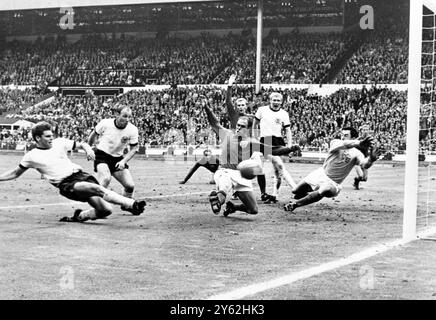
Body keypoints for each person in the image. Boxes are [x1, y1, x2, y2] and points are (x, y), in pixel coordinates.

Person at [0, 122, 146, 222]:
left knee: (106, 211)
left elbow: (81, 144)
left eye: (52, 135)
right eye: (48, 136)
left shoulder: (59, 142)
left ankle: (80, 216)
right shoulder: (31, 156)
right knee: (96, 188)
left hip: (80, 176)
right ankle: (131, 204)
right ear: (38, 138)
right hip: (66, 184)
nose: (52, 138)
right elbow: (15, 173)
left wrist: (88, 149)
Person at [202, 98, 292, 217]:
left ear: (249, 129)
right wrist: (207, 108)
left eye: (242, 126)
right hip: (225, 172)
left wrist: (290, 148)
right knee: (223, 191)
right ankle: (217, 200)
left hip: (241, 175)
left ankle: (233, 207)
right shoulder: (227, 134)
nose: (238, 128)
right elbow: (215, 123)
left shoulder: (252, 143)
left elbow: (274, 149)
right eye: (238, 125)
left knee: (253, 209)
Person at [284, 127, 381, 213]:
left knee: (323, 190)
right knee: (295, 191)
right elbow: (345, 144)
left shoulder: (356, 153)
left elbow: (365, 164)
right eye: (342, 134)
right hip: (320, 174)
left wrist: (371, 159)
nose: (342, 137)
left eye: (346, 135)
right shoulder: (336, 142)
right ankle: (308, 196)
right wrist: (359, 142)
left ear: (353, 137)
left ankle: (295, 205)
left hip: (333, 183)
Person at [225, 74, 271, 202]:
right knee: (237, 170)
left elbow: (257, 131)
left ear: (246, 106)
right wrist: (230, 85)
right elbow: (227, 101)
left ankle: (263, 193)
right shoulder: (233, 115)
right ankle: (236, 192)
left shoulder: (251, 117)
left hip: (249, 146)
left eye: (242, 105)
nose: (240, 107)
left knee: (259, 169)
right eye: (238, 105)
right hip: (236, 146)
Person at [87, 105, 139, 212]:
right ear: (117, 114)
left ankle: (126, 204)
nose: (127, 119)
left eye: (129, 117)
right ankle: (98, 206)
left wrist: (123, 161)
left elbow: (134, 148)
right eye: (124, 116)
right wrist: (89, 149)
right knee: (105, 179)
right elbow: (93, 135)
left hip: (117, 159)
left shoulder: (132, 129)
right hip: (101, 155)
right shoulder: (105, 123)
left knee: (130, 186)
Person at [252, 91, 298, 204]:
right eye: (274, 100)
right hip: (264, 140)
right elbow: (255, 124)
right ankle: (261, 192)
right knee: (258, 166)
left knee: (279, 168)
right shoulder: (262, 110)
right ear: (270, 100)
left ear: (281, 102)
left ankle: (277, 194)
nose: (276, 102)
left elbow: (287, 130)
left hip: (277, 141)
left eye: (278, 100)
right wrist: (255, 137)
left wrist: (289, 144)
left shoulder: (284, 114)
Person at [353, 124, 372, 190]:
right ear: (361, 131)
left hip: (365, 159)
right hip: (357, 160)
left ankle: (356, 180)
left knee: (365, 178)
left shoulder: (370, 139)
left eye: (367, 130)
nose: (365, 131)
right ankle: (356, 183)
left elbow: (372, 148)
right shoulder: (358, 140)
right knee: (361, 175)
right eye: (364, 130)